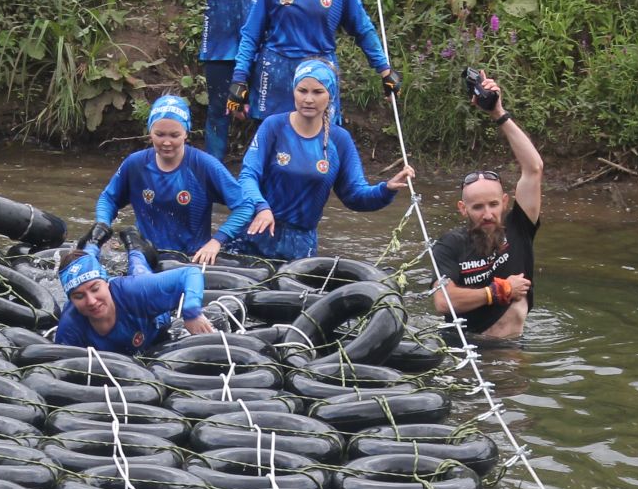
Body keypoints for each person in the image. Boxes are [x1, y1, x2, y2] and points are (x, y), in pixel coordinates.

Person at [173, 0, 375, 159]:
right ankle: (215, 175)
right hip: (222, 20)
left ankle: (293, 168)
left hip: (267, 16)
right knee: (221, 104)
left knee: (284, 108)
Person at [217, 60, 412, 261]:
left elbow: (355, 195)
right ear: (294, 91)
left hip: (299, 246)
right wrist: (261, 207)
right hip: (254, 232)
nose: (308, 99)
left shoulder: (339, 140)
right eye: (302, 90)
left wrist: (387, 189)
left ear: (331, 95)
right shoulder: (273, 127)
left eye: (317, 92)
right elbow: (248, 175)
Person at [430, 74, 544, 339]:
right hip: (468, 349)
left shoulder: (520, 227)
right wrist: (499, 290)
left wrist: (499, 113)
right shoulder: (450, 244)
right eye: (478, 207)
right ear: (463, 208)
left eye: (493, 204)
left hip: (511, 350)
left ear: (505, 202)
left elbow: (534, 168)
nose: (488, 214)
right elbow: (442, 301)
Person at [86, 94, 249, 265]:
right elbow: (109, 198)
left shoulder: (203, 165)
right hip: (146, 256)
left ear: (186, 133)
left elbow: (244, 206)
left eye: (174, 135)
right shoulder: (135, 164)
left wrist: (216, 242)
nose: (166, 142)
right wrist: (102, 226)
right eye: (160, 134)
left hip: (191, 258)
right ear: (150, 132)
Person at [53, 236, 214, 356]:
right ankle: (94, 241)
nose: (91, 301)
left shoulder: (132, 291)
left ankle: (133, 243)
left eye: (95, 289)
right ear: (71, 299)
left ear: (106, 282)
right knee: (83, 270)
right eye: (79, 296)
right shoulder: (69, 327)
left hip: (154, 325)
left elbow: (190, 273)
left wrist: (191, 311)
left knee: (139, 270)